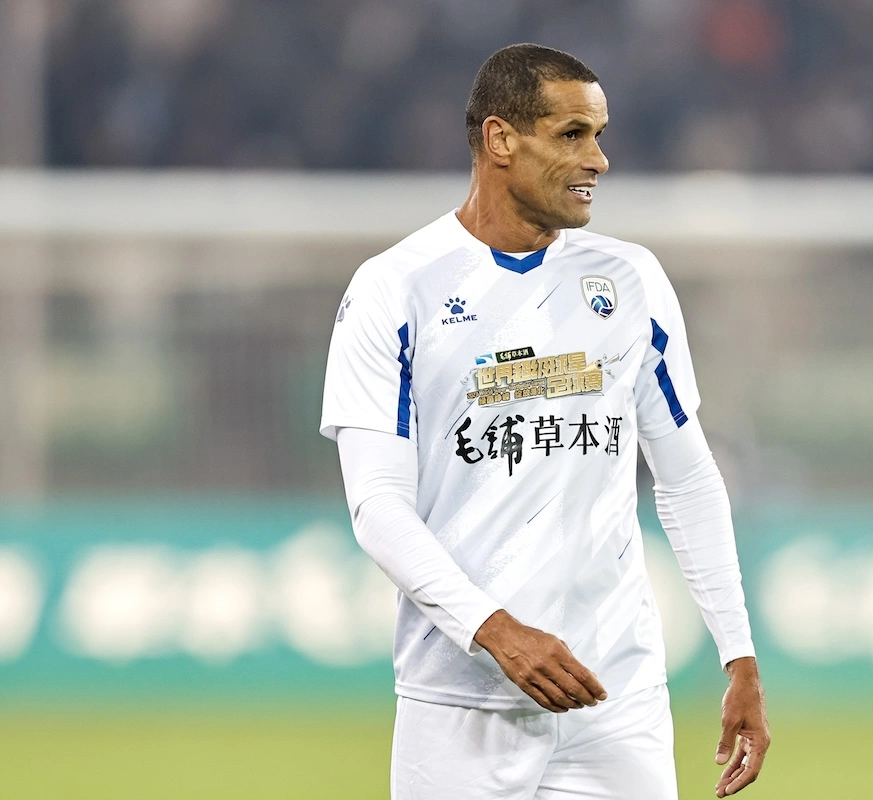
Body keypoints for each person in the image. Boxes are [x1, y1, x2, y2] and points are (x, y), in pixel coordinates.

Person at [320, 43, 769, 799]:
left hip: (616, 699)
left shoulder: (629, 281)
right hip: (462, 705)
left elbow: (687, 475)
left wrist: (740, 654)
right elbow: (378, 508)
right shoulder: (396, 291)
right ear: (500, 139)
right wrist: (497, 632)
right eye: (571, 134)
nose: (597, 158)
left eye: (599, 134)